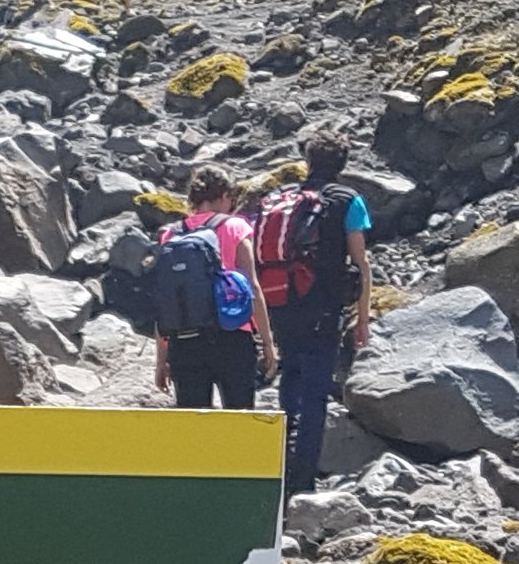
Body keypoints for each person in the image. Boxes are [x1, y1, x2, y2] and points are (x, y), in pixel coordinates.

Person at [260, 134, 375, 485]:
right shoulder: (348, 200)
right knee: (314, 394)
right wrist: (362, 318)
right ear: (342, 165)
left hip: (282, 303)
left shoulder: (287, 199)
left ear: (308, 163)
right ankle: (302, 478)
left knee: (290, 380)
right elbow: (361, 263)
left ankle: (279, 467)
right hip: (322, 307)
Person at [150, 165, 267, 411]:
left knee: (194, 426)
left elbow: (166, 298)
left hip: (185, 342)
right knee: (240, 420)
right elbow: (253, 288)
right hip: (232, 337)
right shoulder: (236, 227)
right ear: (224, 195)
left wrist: (162, 360)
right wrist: (267, 343)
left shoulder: (171, 234)